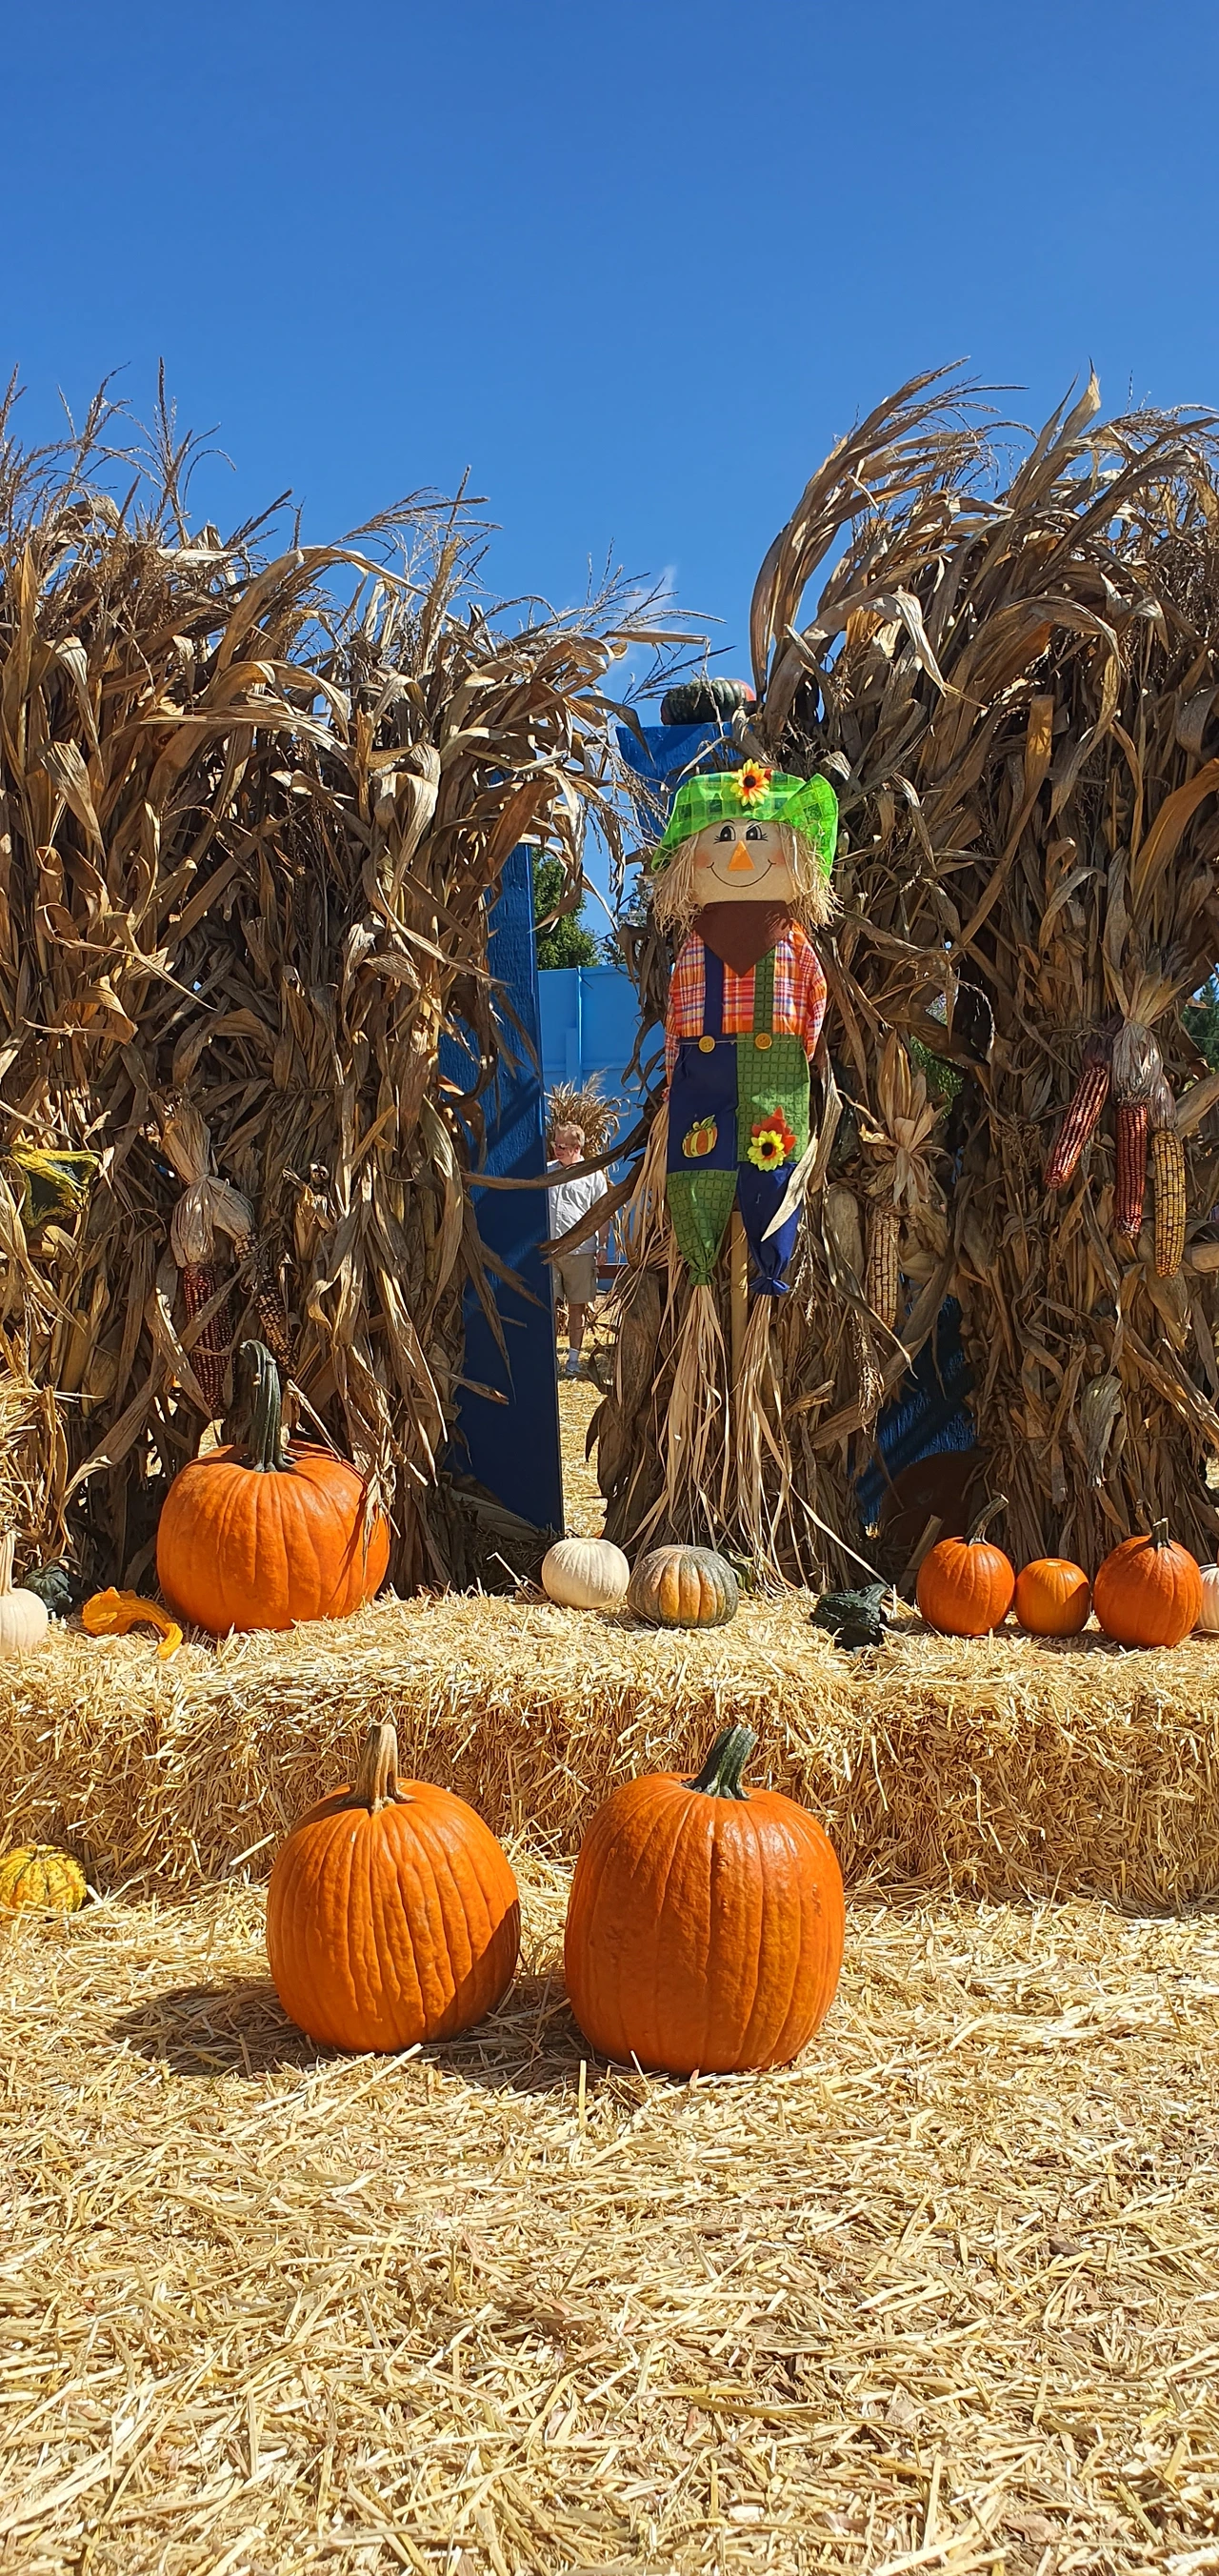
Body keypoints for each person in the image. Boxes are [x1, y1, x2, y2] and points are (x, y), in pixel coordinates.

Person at [547, 1122, 610, 1376]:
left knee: (577, 1307)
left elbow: (603, 1212)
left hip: (581, 1251)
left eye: (562, 1146)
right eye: (555, 1144)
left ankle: (573, 1361)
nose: (557, 1149)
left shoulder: (592, 1175)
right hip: (550, 1252)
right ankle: (550, 1359)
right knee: (548, 1305)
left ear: (577, 1148)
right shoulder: (546, 1172)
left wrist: (603, 1246)